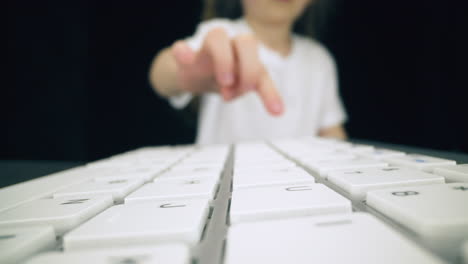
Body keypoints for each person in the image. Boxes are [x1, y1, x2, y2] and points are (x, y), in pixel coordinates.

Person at [149, 0, 347, 145]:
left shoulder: (319, 58)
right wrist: (185, 74)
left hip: (301, 189)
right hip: (222, 185)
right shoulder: (219, 33)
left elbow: (331, 131)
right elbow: (161, 76)